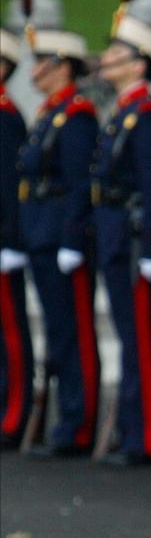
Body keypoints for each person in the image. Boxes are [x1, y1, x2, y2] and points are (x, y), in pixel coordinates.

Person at [91, 0, 151, 467]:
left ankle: (146, 437)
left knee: (142, 338)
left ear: (139, 63)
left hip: (135, 235)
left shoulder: (149, 115)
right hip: (116, 235)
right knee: (129, 336)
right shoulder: (123, 113)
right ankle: (131, 430)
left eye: (117, 53)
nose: (106, 59)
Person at [17, 21, 99, 458]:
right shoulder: (51, 112)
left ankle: (77, 422)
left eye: (41, 62)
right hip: (41, 232)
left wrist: (72, 237)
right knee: (56, 329)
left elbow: (78, 181)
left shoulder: (77, 116)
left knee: (73, 331)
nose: (34, 70)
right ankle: (66, 421)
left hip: (61, 235)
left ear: (60, 66)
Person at [0, 28, 32, 451]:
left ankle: (14, 413)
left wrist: (9, 238)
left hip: (2, 239)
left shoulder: (5, 115)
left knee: (10, 333)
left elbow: (8, 184)